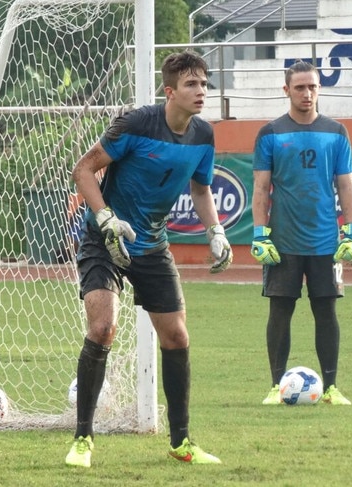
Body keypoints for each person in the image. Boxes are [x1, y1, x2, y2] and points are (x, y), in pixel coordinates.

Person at [65, 50, 232, 468]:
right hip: (104, 239)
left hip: (152, 245)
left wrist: (216, 232)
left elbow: (200, 189)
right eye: (192, 84)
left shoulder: (203, 135)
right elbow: (83, 169)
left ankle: (181, 442)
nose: (201, 92)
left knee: (177, 336)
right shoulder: (137, 123)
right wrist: (106, 220)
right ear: (169, 90)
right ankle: (83, 440)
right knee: (103, 328)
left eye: (205, 84)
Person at [250, 60, 352, 406]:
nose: (307, 93)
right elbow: (260, 189)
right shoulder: (270, 133)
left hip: (326, 241)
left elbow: (346, 186)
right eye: (299, 87)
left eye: (312, 86)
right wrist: (259, 234)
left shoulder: (337, 132)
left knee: (326, 311)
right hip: (283, 242)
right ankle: (273, 387)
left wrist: (351, 231)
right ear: (287, 90)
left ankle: (330, 388)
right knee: (280, 312)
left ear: (319, 89)